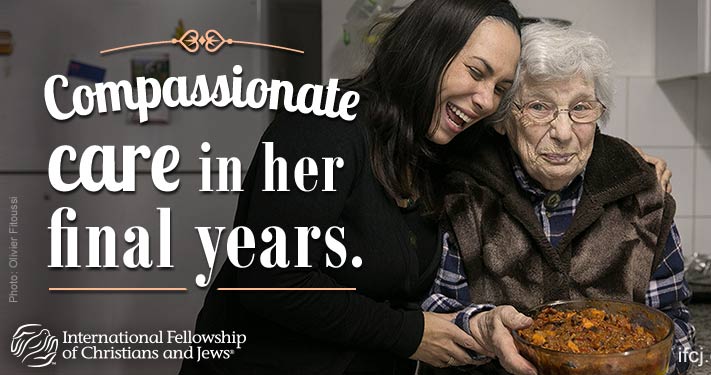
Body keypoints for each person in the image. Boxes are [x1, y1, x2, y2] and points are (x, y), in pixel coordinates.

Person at [181, 1, 523, 374]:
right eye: (476, 72)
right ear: (426, 48)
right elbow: (271, 281)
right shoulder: (320, 122)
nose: (486, 100)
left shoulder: (431, 152)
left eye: (500, 88)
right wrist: (407, 334)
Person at [423, 22, 694, 375]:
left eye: (581, 108)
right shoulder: (463, 194)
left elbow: (676, 329)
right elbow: (435, 312)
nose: (564, 133)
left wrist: (634, 364)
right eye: (539, 107)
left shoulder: (643, 199)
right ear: (503, 119)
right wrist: (486, 328)